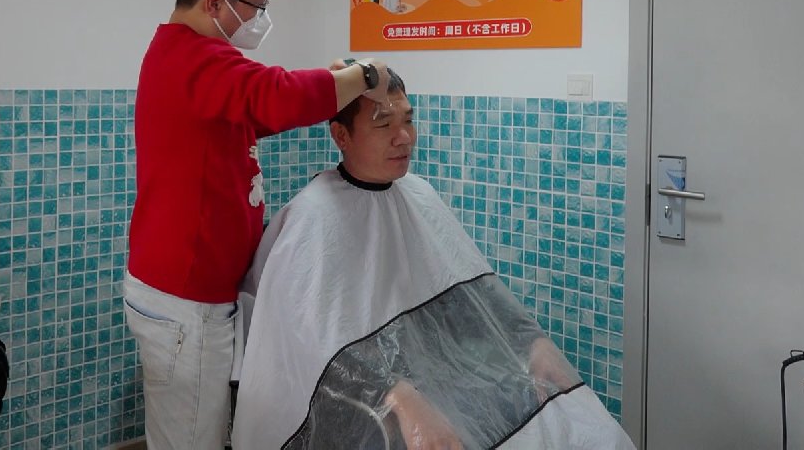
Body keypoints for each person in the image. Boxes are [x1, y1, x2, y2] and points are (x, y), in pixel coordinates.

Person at [232, 68, 636, 449]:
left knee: (592, 431)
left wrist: (531, 342)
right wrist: (395, 395)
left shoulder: (418, 194)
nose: (404, 137)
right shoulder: (312, 217)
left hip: (432, 381)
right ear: (341, 135)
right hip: (353, 407)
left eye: (408, 120)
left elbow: (466, 296)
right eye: (383, 125)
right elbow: (311, 344)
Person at [126, 0, 393, 450]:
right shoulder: (196, 59)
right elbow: (275, 95)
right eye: (258, 3)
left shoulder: (184, 56)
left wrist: (333, 88)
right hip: (186, 300)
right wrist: (364, 76)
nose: (261, 16)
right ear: (216, 3)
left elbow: (253, 113)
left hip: (182, 289)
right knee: (190, 440)